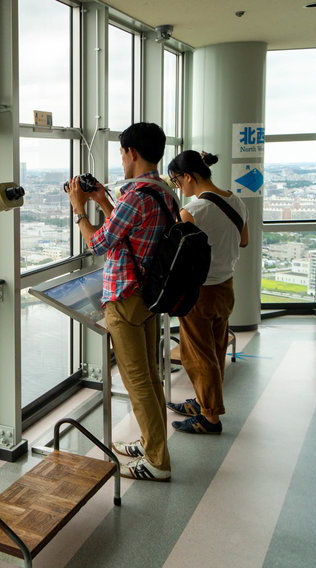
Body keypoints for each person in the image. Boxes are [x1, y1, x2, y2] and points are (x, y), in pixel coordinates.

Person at [66, 122, 177, 482]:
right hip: (147, 295)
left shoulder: (135, 196)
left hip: (125, 297)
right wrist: (102, 200)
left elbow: (99, 243)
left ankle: (158, 461)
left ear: (131, 152)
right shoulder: (162, 191)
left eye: (122, 152)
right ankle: (150, 443)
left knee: (136, 381)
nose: (121, 158)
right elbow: (130, 229)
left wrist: (80, 209)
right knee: (150, 377)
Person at [165, 151, 249, 434]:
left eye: (178, 181)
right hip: (226, 286)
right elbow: (244, 240)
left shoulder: (193, 211)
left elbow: (175, 253)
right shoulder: (235, 200)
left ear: (188, 176)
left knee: (198, 356)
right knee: (215, 349)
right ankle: (203, 403)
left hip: (200, 292)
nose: (179, 187)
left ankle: (210, 417)